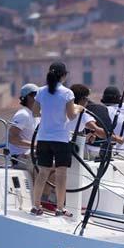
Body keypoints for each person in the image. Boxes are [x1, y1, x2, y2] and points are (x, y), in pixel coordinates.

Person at [30, 62, 82, 217]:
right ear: (64, 75)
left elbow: (35, 113)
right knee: (61, 174)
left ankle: (36, 206)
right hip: (61, 138)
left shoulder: (40, 91)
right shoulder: (67, 93)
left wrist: (48, 115)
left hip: (43, 137)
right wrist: (79, 108)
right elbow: (71, 115)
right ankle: (60, 208)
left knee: (43, 173)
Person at [8, 83, 39, 172]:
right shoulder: (23, 115)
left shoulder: (35, 115)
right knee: (53, 169)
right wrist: (35, 145)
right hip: (20, 158)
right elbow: (12, 138)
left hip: (31, 155)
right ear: (30, 97)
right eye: (38, 95)